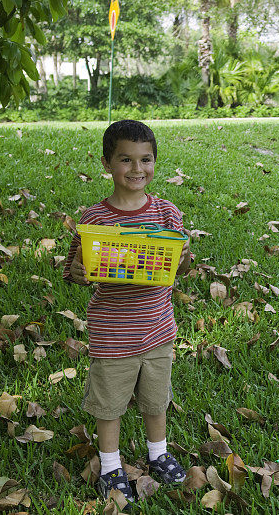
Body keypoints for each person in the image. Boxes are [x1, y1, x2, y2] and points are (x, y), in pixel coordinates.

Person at [63, 120, 191, 503]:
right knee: (110, 404)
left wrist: (185, 258)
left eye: (145, 160)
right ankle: (111, 464)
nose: (137, 169)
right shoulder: (95, 219)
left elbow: (182, 268)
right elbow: (75, 271)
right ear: (107, 164)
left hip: (157, 329)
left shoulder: (167, 213)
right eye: (126, 160)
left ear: (154, 162)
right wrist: (79, 273)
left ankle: (158, 453)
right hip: (112, 331)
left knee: (156, 399)